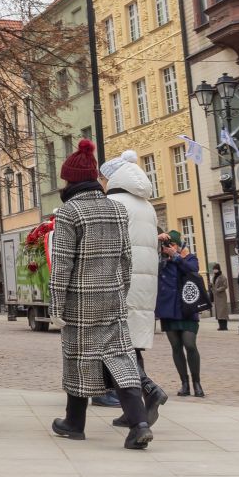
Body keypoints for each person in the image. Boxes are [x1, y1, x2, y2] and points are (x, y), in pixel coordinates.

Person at [47, 139, 153, 449]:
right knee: (120, 358)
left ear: (72, 181)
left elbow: (62, 265)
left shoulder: (69, 213)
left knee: (78, 358)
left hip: (80, 299)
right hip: (113, 296)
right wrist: (122, 291)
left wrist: (56, 306)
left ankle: (74, 423)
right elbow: (127, 259)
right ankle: (139, 423)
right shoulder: (117, 210)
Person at [102, 153, 167, 421]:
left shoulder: (114, 203)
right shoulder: (146, 206)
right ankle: (134, 411)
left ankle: (149, 390)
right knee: (131, 346)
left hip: (121, 282)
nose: (101, 183)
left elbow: (108, 246)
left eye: (103, 178)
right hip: (144, 286)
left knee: (114, 347)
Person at [155, 233, 203, 397]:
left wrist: (175, 256)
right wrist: (156, 242)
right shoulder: (161, 262)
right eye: (168, 245)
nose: (170, 248)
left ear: (179, 245)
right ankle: (184, 383)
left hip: (187, 309)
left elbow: (193, 270)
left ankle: (197, 382)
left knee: (190, 344)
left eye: (173, 245)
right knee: (176, 347)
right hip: (169, 310)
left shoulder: (189, 259)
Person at [209, 262, 230, 331]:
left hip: (221, 296)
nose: (214, 270)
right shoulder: (214, 277)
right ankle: (220, 326)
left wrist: (218, 289)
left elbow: (225, 286)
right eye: (214, 269)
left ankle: (224, 326)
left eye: (216, 269)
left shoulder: (222, 277)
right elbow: (213, 284)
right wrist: (211, 287)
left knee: (223, 312)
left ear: (218, 269)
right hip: (216, 297)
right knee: (218, 312)